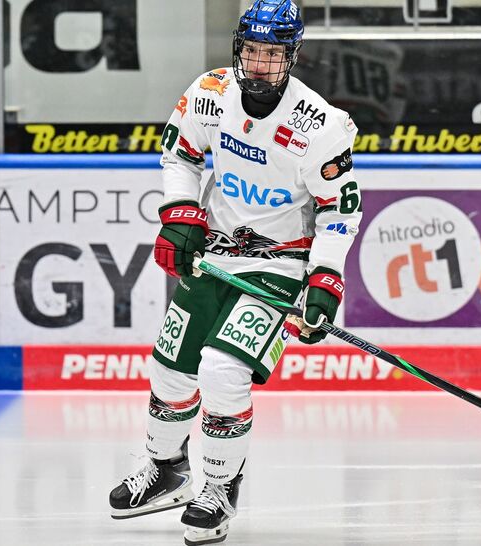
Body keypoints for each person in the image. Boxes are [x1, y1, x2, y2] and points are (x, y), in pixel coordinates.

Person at [108, 1, 362, 544]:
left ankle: (220, 487)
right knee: (170, 368)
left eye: (273, 54)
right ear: (238, 49)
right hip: (215, 256)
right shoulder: (210, 92)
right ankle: (167, 470)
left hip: (279, 267)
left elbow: (339, 212)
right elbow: (180, 155)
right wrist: (181, 213)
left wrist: (325, 280)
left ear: (292, 57)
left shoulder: (320, 126)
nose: (260, 63)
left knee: (223, 371)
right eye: (252, 50)